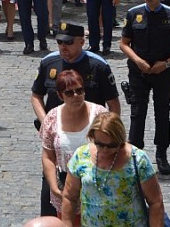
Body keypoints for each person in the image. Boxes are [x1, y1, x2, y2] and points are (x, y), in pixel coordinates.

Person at [31, 21, 121, 217]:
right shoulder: (48, 63)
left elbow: (113, 104)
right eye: (60, 42)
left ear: (82, 41)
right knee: (50, 208)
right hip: (58, 144)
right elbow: (36, 95)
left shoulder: (98, 66)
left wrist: (109, 135)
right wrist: (46, 122)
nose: (63, 47)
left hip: (90, 142)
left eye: (69, 42)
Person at [120, 0, 170, 175]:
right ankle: (135, 153)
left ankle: (161, 153)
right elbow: (124, 43)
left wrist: (167, 63)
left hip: (163, 71)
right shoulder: (134, 13)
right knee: (137, 112)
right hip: (139, 71)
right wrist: (137, 60)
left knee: (162, 112)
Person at [61, 112, 166, 226]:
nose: (105, 150)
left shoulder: (138, 160)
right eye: (99, 144)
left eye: (111, 145)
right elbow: (69, 197)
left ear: (120, 140)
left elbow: (155, 202)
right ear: (92, 136)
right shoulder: (81, 156)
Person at [39, 70, 108, 221]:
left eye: (79, 90)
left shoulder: (100, 115)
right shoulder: (52, 118)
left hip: (98, 190)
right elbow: (48, 156)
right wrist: (54, 188)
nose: (76, 95)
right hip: (65, 189)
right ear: (60, 95)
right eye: (69, 93)